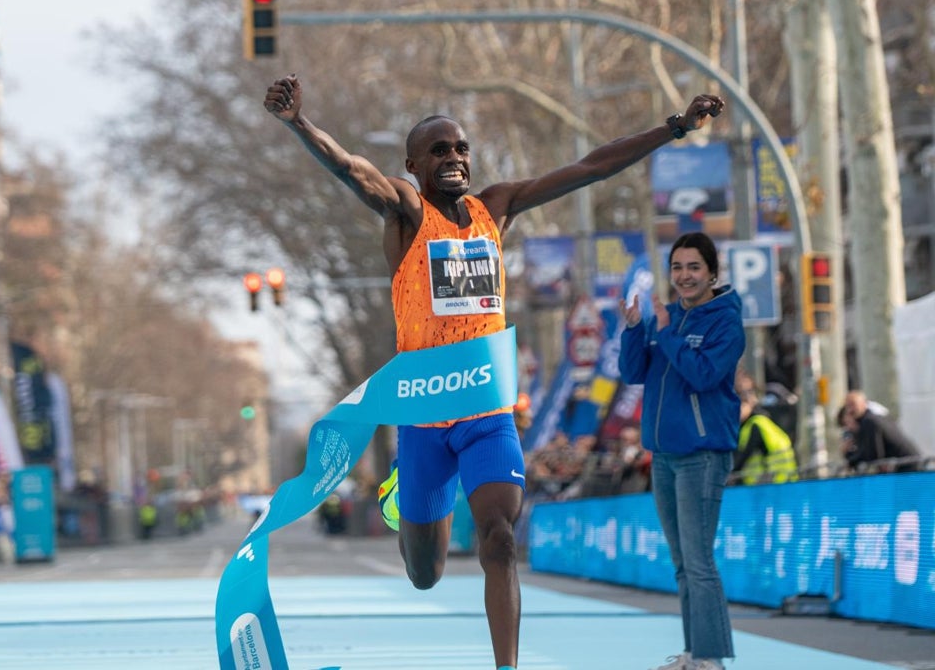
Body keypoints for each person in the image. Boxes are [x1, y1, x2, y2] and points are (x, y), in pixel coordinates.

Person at [264, 73, 723, 670]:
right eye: (439, 151)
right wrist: (300, 124)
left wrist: (677, 126)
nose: (454, 158)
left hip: (486, 412)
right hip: (425, 416)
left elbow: (592, 166)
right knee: (425, 574)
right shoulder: (407, 214)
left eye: (461, 148)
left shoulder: (495, 208)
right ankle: (401, 495)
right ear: (413, 165)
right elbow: (352, 170)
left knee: (501, 541)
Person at [619, 232, 746, 670]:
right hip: (664, 456)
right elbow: (634, 372)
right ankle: (694, 653)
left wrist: (669, 334)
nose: (685, 276)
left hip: (703, 453)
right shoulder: (664, 317)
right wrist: (636, 330)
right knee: (681, 563)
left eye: (694, 267)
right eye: (677, 267)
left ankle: (710, 657)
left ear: (712, 272)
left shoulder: (725, 320)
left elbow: (705, 375)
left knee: (699, 560)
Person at [731, 381, 798, 485]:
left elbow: (740, 460)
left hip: (770, 484)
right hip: (784, 482)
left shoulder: (755, 425)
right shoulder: (764, 421)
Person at [838, 390, 922, 474]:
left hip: (907, 467)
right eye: (848, 406)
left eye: (853, 404)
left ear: (864, 403)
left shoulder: (870, 421)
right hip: (907, 465)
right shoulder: (874, 417)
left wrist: (849, 457)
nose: (850, 410)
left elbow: (872, 454)